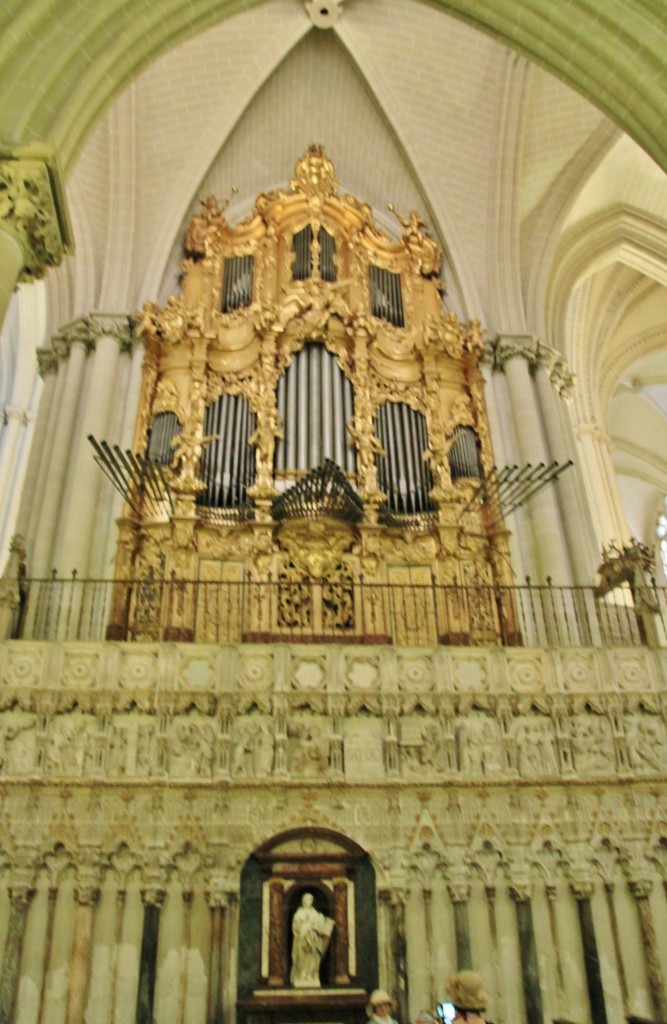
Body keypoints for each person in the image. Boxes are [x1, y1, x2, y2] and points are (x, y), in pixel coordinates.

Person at [290, 892, 334, 988]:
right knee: (302, 958)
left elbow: (320, 927)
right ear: (302, 901)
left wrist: (324, 924)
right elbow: (295, 927)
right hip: (302, 939)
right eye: (306, 899)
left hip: (314, 940)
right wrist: (305, 927)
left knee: (313, 958)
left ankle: (311, 975)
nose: (308, 901)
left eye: (310, 899)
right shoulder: (299, 913)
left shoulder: (315, 913)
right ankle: (302, 975)